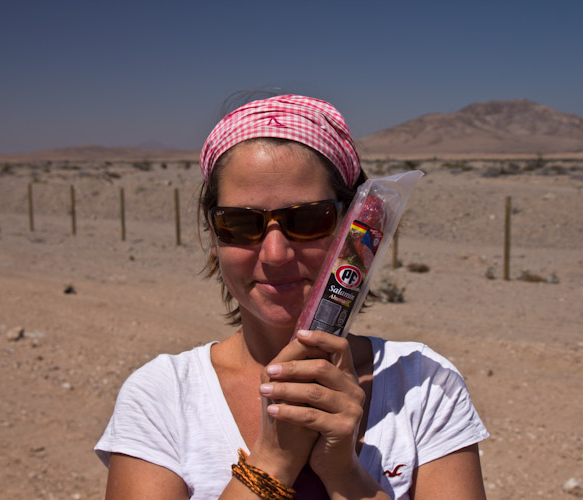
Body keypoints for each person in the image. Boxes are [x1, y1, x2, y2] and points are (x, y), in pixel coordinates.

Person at [95, 94, 489, 499]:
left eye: (307, 219)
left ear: (354, 227)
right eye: (239, 223)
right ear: (212, 236)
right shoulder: (161, 396)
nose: (275, 254)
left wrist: (344, 474)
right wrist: (274, 459)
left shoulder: (422, 384)